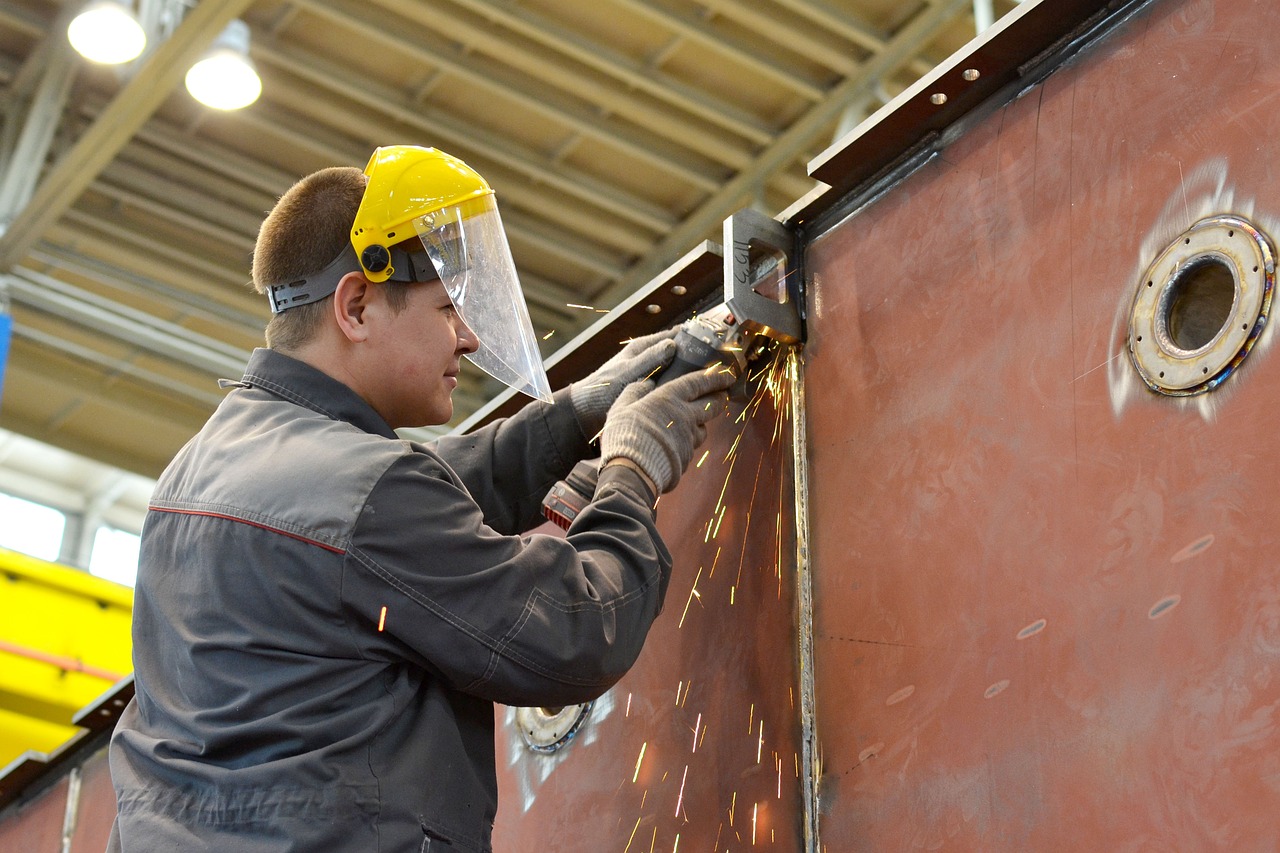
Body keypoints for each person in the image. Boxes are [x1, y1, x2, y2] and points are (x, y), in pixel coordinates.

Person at [106, 145, 734, 852]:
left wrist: (575, 414)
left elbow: (403, 498)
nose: (466, 338)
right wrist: (631, 468)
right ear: (357, 305)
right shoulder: (366, 495)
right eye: (445, 309)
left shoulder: (199, 472)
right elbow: (573, 632)